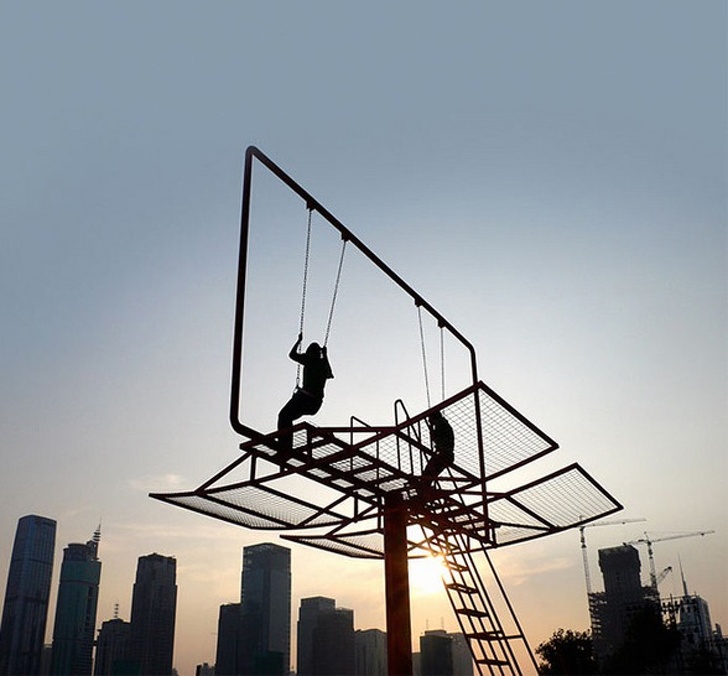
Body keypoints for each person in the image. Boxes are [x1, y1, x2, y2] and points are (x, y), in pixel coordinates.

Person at [277, 333, 334, 452]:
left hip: (305, 400)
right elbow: (329, 374)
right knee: (287, 418)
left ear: (309, 352)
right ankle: (286, 447)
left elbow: (292, 355)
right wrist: (325, 356)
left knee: (284, 416)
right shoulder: (322, 364)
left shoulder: (309, 359)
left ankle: (285, 447)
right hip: (315, 405)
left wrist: (298, 341)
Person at [420, 410, 455, 491]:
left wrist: (432, 430)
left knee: (427, 474)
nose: (429, 421)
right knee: (430, 474)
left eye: (429, 419)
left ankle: (425, 488)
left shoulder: (440, 424)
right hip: (447, 455)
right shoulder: (443, 424)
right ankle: (426, 487)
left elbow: (436, 438)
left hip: (443, 454)